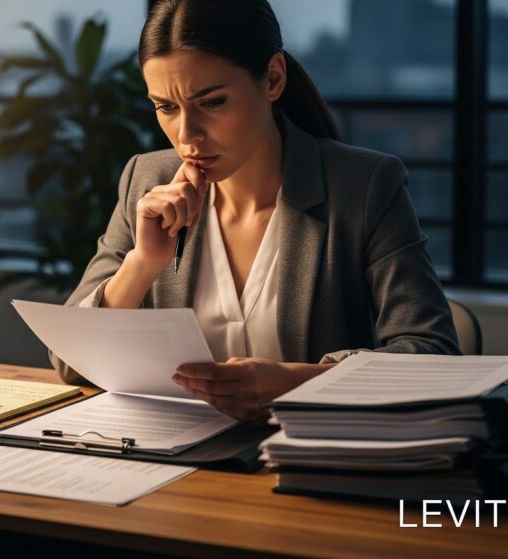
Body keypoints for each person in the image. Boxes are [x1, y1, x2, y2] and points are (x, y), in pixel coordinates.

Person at [50, 0, 459, 420]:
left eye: (211, 103)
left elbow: (432, 353)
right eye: (166, 108)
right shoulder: (147, 179)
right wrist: (142, 263)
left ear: (273, 79)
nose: (187, 134)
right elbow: (68, 363)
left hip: (306, 460)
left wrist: (294, 383)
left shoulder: (364, 186)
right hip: (178, 464)